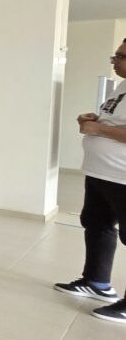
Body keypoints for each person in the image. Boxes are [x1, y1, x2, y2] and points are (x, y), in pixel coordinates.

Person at [55, 38, 126, 323]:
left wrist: (97, 127)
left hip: (123, 175)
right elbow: (113, 122)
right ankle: (97, 282)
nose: (114, 61)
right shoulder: (121, 86)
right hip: (101, 172)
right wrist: (94, 118)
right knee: (97, 224)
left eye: (120, 56)